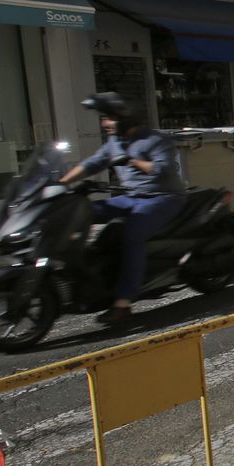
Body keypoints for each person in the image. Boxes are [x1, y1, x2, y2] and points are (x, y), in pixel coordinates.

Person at [59, 93, 187, 325]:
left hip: (163, 198)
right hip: (131, 197)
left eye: (109, 118)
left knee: (132, 234)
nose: (104, 123)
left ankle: (123, 302)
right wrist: (60, 185)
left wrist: (131, 161)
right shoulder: (114, 143)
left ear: (125, 117)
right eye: (103, 118)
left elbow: (164, 169)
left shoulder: (155, 140)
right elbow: (91, 164)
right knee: (81, 212)